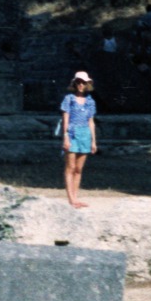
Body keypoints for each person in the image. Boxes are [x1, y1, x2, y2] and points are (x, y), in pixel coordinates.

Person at [60, 71, 97, 209]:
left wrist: (93, 141)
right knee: (70, 167)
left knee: (79, 169)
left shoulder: (90, 101)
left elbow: (91, 121)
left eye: (84, 82)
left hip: (85, 134)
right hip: (72, 133)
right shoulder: (69, 99)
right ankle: (71, 199)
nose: (81, 85)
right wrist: (65, 137)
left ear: (88, 84)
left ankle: (76, 197)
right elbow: (65, 119)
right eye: (79, 82)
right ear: (74, 83)